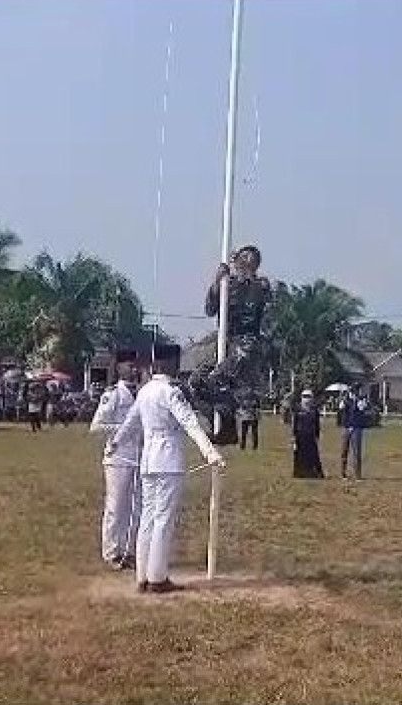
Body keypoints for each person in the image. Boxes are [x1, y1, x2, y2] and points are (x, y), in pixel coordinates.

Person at [112, 343, 225, 594]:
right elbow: (189, 422)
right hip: (168, 461)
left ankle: (142, 576)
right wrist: (209, 451)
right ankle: (157, 577)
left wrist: (115, 443)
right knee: (163, 519)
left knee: (147, 519)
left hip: (148, 461)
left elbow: (130, 423)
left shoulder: (144, 392)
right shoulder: (170, 392)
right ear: (170, 363)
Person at [189, 245, 272, 445]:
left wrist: (247, 281)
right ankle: (224, 426)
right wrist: (218, 282)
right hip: (223, 341)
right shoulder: (228, 284)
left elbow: (266, 309)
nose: (243, 263)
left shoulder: (261, 286)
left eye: (249, 260)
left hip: (246, 343)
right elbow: (210, 309)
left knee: (217, 379)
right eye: (241, 259)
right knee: (196, 382)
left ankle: (229, 425)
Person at [90, 350, 142, 570]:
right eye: (129, 366)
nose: (133, 369)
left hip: (138, 456)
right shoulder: (113, 394)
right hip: (117, 456)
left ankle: (128, 551)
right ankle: (112, 551)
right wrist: (122, 430)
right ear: (119, 368)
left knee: (135, 507)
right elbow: (96, 427)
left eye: (135, 365)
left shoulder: (141, 393)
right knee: (116, 506)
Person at [291, 389, 323, 479]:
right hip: (300, 435)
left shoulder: (314, 410)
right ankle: (299, 473)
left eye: (308, 397)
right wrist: (293, 438)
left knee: (312, 455)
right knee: (299, 455)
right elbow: (294, 424)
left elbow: (317, 424)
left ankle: (313, 473)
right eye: (304, 397)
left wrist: (317, 436)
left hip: (311, 436)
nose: (306, 399)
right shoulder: (297, 409)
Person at [338, 388, 368, 480]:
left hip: (356, 428)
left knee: (356, 452)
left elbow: (362, 408)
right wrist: (344, 399)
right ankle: (343, 473)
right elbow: (341, 407)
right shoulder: (346, 401)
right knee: (344, 451)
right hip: (346, 427)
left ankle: (357, 474)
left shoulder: (361, 401)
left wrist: (358, 399)